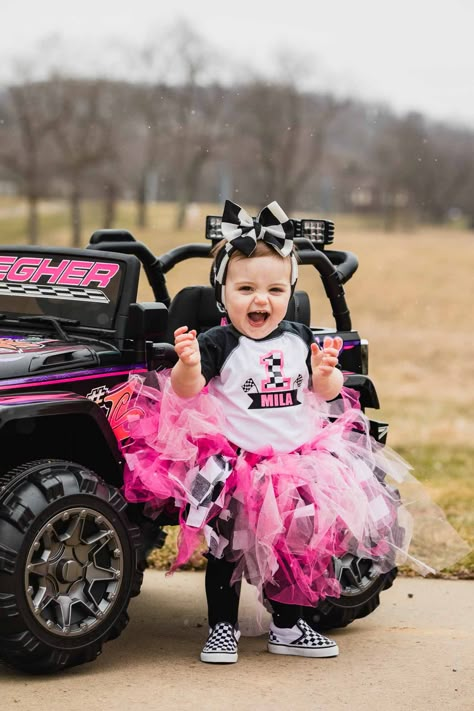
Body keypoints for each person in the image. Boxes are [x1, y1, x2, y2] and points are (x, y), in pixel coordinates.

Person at [123, 200, 469, 664]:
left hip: (296, 464)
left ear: (290, 291)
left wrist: (327, 372)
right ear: (222, 292)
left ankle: (287, 625)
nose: (260, 300)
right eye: (245, 288)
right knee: (227, 551)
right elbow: (187, 393)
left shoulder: (299, 338)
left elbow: (324, 392)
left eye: (274, 289)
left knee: (295, 547)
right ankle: (222, 628)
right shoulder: (218, 342)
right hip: (237, 464)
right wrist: (187, 365)